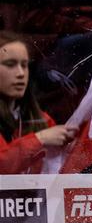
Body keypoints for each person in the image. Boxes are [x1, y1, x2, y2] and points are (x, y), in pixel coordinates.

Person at [0, 31, 76, 174]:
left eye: (24, 65)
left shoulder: (42, 119)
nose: (21, 73)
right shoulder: (43, 130)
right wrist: (40, 139)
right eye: (10, 64)